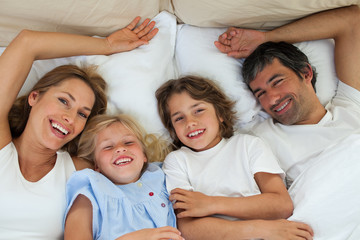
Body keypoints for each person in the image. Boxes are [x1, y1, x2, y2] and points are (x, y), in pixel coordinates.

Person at [0, 16, 158, 239]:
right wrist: (107, 46)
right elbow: (27, 42)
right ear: (34, 97)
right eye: (64, 101)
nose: (69, 118)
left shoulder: (81, 170)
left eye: (82, 113)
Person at [215, 4, 360, 239]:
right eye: (260, 93)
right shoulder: (259, 138)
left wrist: (265, 38)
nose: (272, 99)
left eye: (277, 81)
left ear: (306, 73)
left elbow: (351, 19)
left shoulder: (351, 105)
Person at [155, 75, 314, 239]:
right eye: (179, 118)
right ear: (173, 130)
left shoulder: (248, 145)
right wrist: (260, 229)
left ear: (220, 114)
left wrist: (211, 204)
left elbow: (281, 204)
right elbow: (188, 228)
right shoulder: (177, 161)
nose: (190, 122)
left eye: (199, 110)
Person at [64, 114, 184, 240]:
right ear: (96, 165)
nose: (120, 148)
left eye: (128, 142)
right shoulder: (91, 192)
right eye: (108, 147)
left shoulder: (162, 175)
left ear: (144, 155)